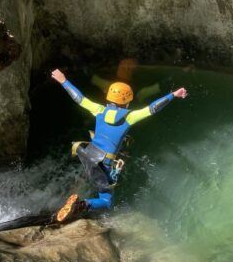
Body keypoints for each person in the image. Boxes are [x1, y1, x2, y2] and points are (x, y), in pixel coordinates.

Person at [51, 68, 188, 222]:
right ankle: (81, 205)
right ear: (128, 101)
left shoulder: (98, 110)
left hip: (87, 154)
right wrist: (173, 95)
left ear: (108, 97)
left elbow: (79, 98)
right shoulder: (129, 117)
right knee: (106, 201)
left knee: (94, 179)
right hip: (104, 162)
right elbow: (152, 108)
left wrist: (63, 80)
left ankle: (74, 199)